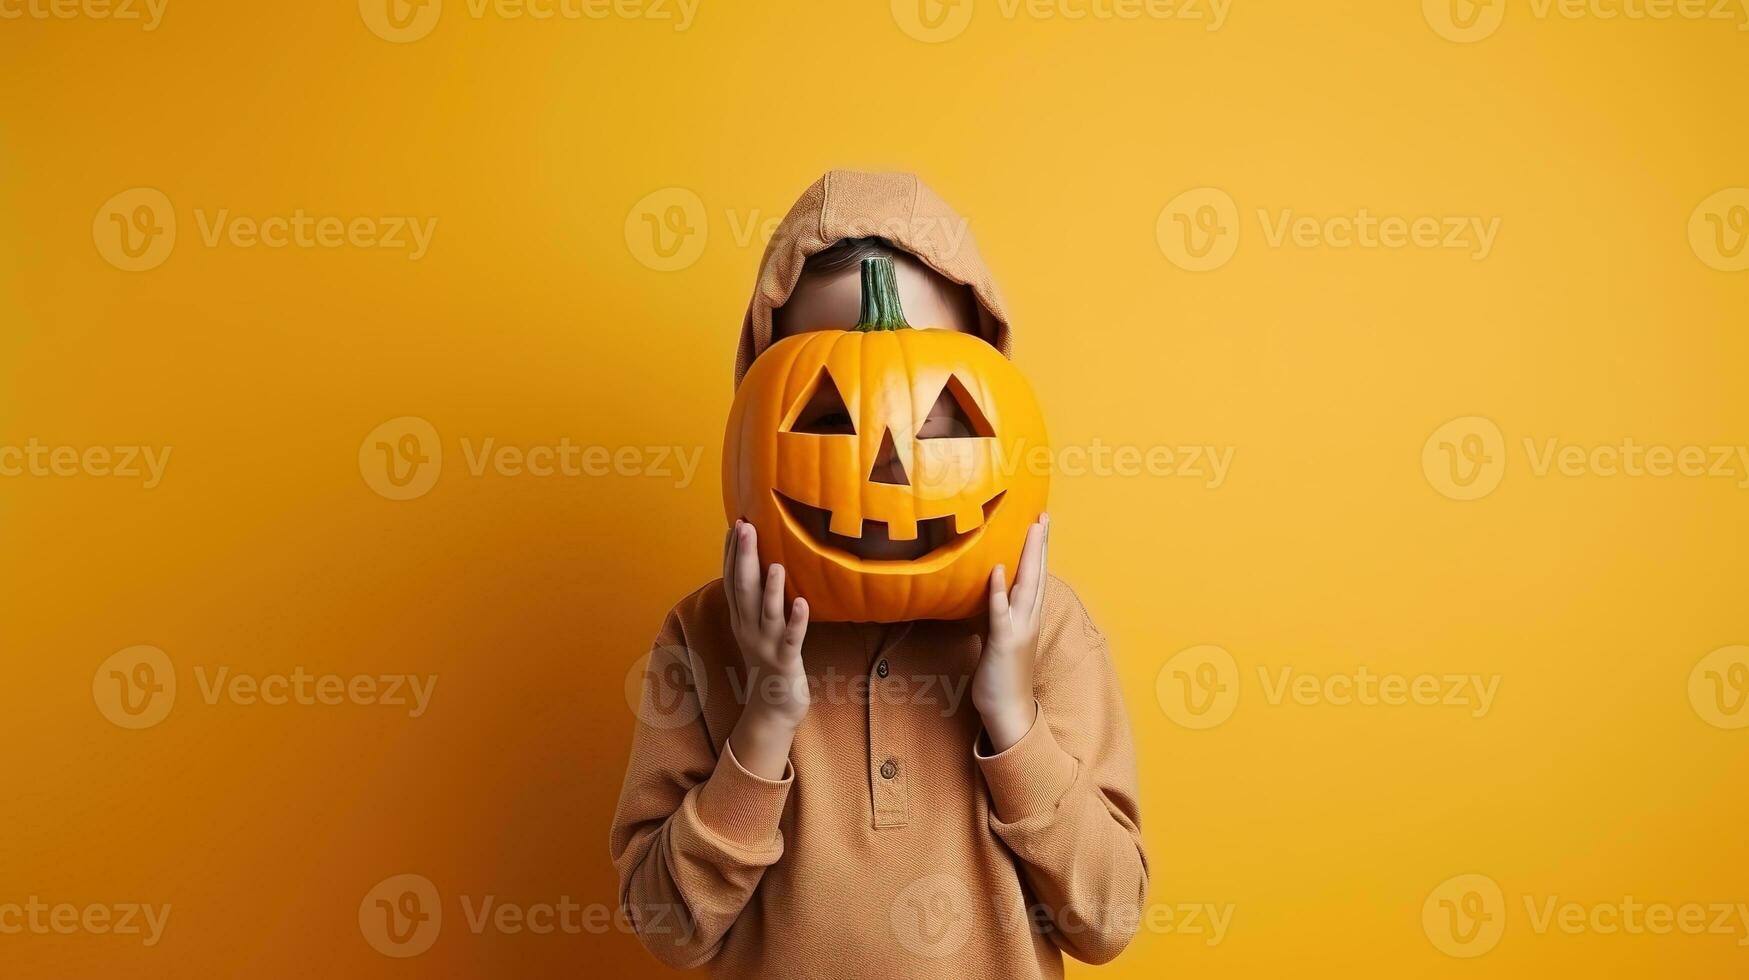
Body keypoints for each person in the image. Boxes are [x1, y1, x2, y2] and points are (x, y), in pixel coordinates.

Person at [611, 170, 1146, 978]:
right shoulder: (704, 635)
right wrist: (764, 720)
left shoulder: (1047, 628)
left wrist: (1011, 716)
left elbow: (1106, 921)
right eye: (829, 418)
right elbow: (667, 927)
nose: (886, 468)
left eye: (938, 418)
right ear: (756, 411)